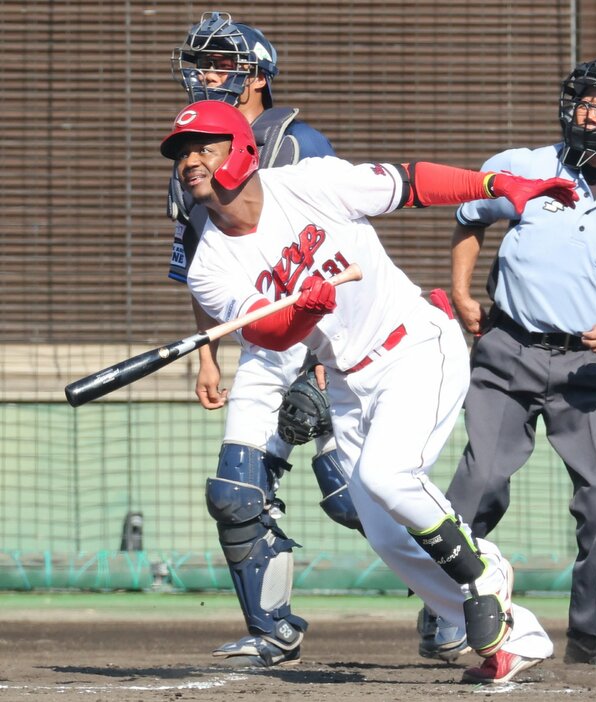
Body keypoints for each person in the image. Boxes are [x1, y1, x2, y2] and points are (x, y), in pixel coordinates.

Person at [159, 99, 579, 677]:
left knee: (388, 476)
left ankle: (485, 572)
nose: (190, 160)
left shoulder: (311, 183)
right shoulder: (209, 262)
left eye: (205, 146)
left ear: (243, 151)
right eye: (182, 152)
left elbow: (411, 183)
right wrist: (303, 314)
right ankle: (515, 637)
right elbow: (268, 332)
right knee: (383, 528)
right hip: (350, 386)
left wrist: (497, 182)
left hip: (415, 347)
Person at [440, 55, 596, 680]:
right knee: (481, 481)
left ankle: (594, 629)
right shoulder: (520, 167)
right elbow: (470, 221)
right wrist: (464, 295)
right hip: (507, 351)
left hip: (589, 370)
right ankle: (447, 613)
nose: (588, 112)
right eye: (583, 100)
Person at [166, 12, 366, 668]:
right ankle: (273, 628)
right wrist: (206, 355)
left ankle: (457, 594)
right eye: (199, 64)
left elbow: (347, 252)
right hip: (261, 344)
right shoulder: (192, 157)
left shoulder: (300, 142)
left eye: (220, 64)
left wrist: (322, 366)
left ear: (257, 74)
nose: (205, 76)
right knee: (236, 494)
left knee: (349, 492)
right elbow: (203, 272)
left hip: (333, 335)